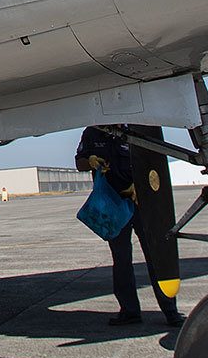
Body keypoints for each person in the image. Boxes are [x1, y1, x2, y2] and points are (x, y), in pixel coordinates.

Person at [75, 126, 182, 327]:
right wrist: (89, 162)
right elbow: (79, 162)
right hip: (114, 205)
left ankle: (170, 311)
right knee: (121, 259)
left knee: (155, 256)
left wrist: (143, 186)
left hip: (141, 203)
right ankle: (129, 310)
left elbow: (154, 162)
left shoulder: (136, 130)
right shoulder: (92, 133)